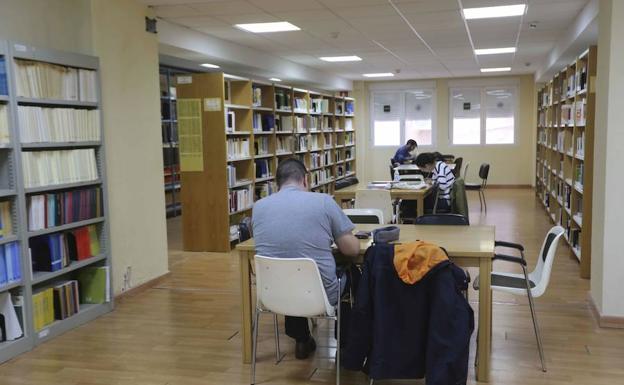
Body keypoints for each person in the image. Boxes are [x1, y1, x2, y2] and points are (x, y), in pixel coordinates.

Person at [252, 158, 360, 359]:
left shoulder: (259, 207)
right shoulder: (323, 202)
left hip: (274, 294)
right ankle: (345, 343)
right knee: (354, 274)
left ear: (277, 183)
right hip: (321, 295)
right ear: (305, 180)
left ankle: (301, 338)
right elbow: (352, 250)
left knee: (290, 273)